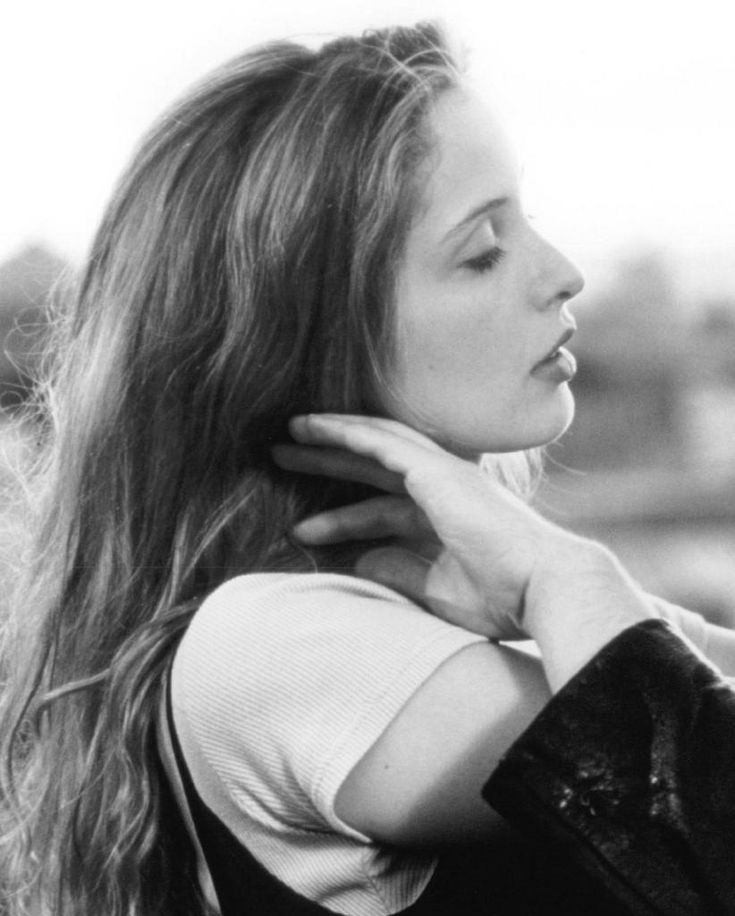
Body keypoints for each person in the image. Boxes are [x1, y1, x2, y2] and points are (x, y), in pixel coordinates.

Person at [1, 20, 734, 916]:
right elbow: (706, 805)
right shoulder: (277, 646)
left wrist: (558, 593)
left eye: (528, 219)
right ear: (303, 341)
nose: (563, 273)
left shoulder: (392, 624)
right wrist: (562, 574)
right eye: (481, 252)